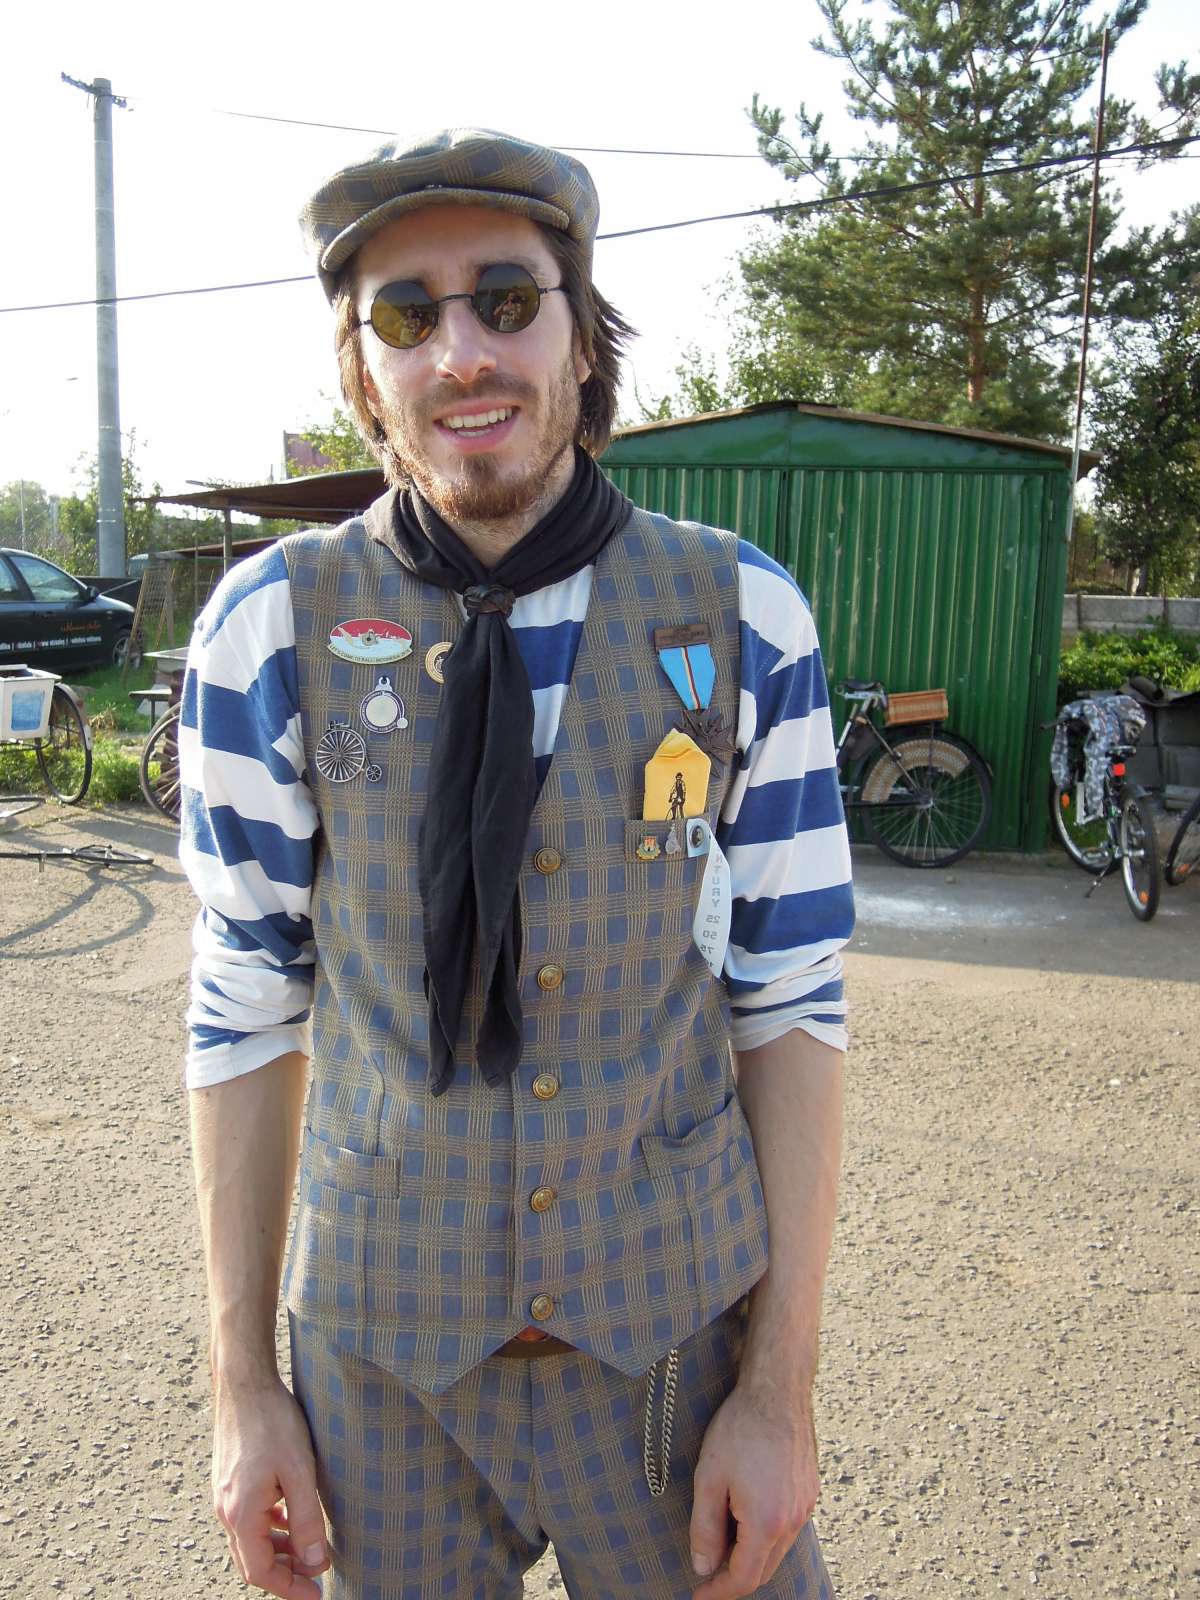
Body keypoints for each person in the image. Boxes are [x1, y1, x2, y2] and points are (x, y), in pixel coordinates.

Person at [181, 127, 855, 1600]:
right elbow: (244, 1005)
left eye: (506, 298)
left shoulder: (747, 615)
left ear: (581, 334)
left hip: (675, 1352)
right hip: (382, 1374)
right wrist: (243, 1389)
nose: (461, 353)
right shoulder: (264, 631)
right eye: (405, 314)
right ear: (362, 372)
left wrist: (778, 1393)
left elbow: (793, 999)